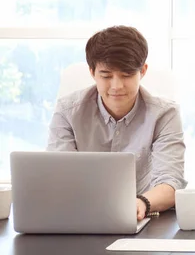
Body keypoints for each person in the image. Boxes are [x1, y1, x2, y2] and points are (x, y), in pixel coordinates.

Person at [47, 26, 186, 221]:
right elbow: (58, 176)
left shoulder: (164, 114)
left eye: (127, 75)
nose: (116, 86)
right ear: (92, 72)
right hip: (80, 215)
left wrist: (141, 203)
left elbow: (171, 183)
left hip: (144, 217)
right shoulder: (67, 111)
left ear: (143, 71)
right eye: (106, 76)